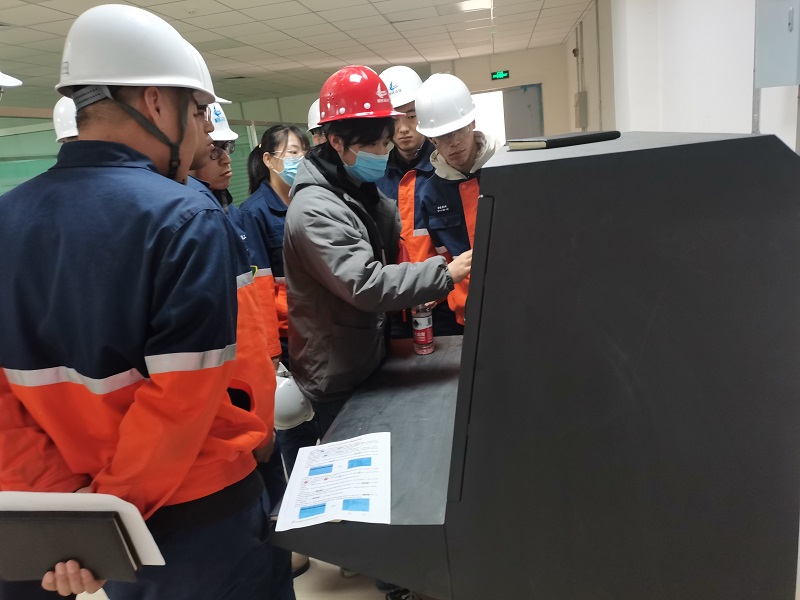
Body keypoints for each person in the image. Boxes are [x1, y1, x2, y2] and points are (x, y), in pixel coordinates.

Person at [0, 5, 276, 599]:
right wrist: (111, 514)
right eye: (198, 112)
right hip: (201, 517)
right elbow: (181, 402)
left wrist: (74, 515)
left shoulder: (6, 219)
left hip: (100, 523)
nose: (202, 135)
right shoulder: (185, 217)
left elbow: (4, 404)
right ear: (155, 102)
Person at [283, 65, 472, 436]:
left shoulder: (356, 191)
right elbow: (365, 283)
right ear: (337, 142)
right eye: (374, 145)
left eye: (386, 143)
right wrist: (445, 272)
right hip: (336, 375)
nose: (385, 153)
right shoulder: (315, 209)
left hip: (364, 355)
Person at [376, 65, 462, 339]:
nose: (403, 129)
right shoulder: (375, 177)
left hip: (446, 304)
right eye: (395, 120)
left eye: (412, 116)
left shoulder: (449, 170)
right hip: (396, 307)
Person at [415, 73, 497, 326]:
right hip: (465, 315)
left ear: (472, 123)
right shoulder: (430, 193)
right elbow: (442, 257)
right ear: (432, 139)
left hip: (514, 300)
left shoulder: (506, 171)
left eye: (459, 130)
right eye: (443, 136)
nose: (454, 142)